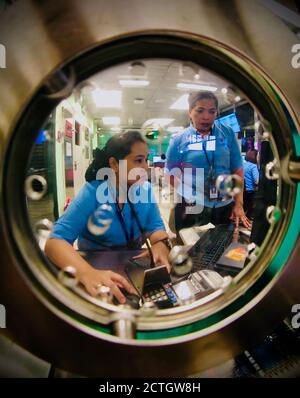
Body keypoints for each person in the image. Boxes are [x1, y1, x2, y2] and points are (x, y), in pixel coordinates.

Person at [45, 131, 171, 304]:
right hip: (96, 268)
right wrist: (87, 273)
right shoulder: (93, 192)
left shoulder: (146, 190)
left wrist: (161, 245)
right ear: (114, 164)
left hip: (132, 270)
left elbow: (156, 228)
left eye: (146, 160)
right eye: (138, 160)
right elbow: (54, 243)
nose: (145, 167)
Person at [166, 91, 251, 231]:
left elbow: (237, 170)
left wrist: (238, 204)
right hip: (192, 206)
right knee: (190, 247)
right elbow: (170, 175)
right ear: (190, 112)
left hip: (224, 206)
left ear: (217, 113)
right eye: (200, 111)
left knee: (223, 247)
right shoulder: (178, 139)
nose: (206, 117)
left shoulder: (227, 132)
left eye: (212, 112)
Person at [243, 149, 259, 219]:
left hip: (242, 191)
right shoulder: (253, 166)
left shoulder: (243, 164)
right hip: (250, 192)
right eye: (258, 156)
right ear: (254, 157)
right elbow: (257, 181)